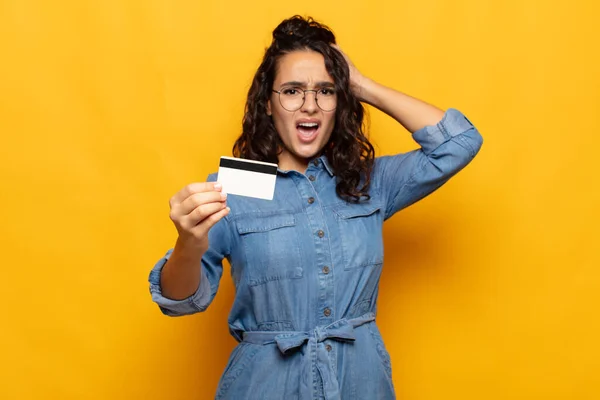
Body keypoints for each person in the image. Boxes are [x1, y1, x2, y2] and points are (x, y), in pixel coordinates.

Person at [148, 15, 483, 400]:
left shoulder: (366, 182)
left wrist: (360, 85)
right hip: (264, 386)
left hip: (360, 383)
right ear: (268, 105)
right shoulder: (234, 187)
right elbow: (179, 302)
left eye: (325, 91)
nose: (309, 106)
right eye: (291, 91)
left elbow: (459, 143)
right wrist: (188, 244)